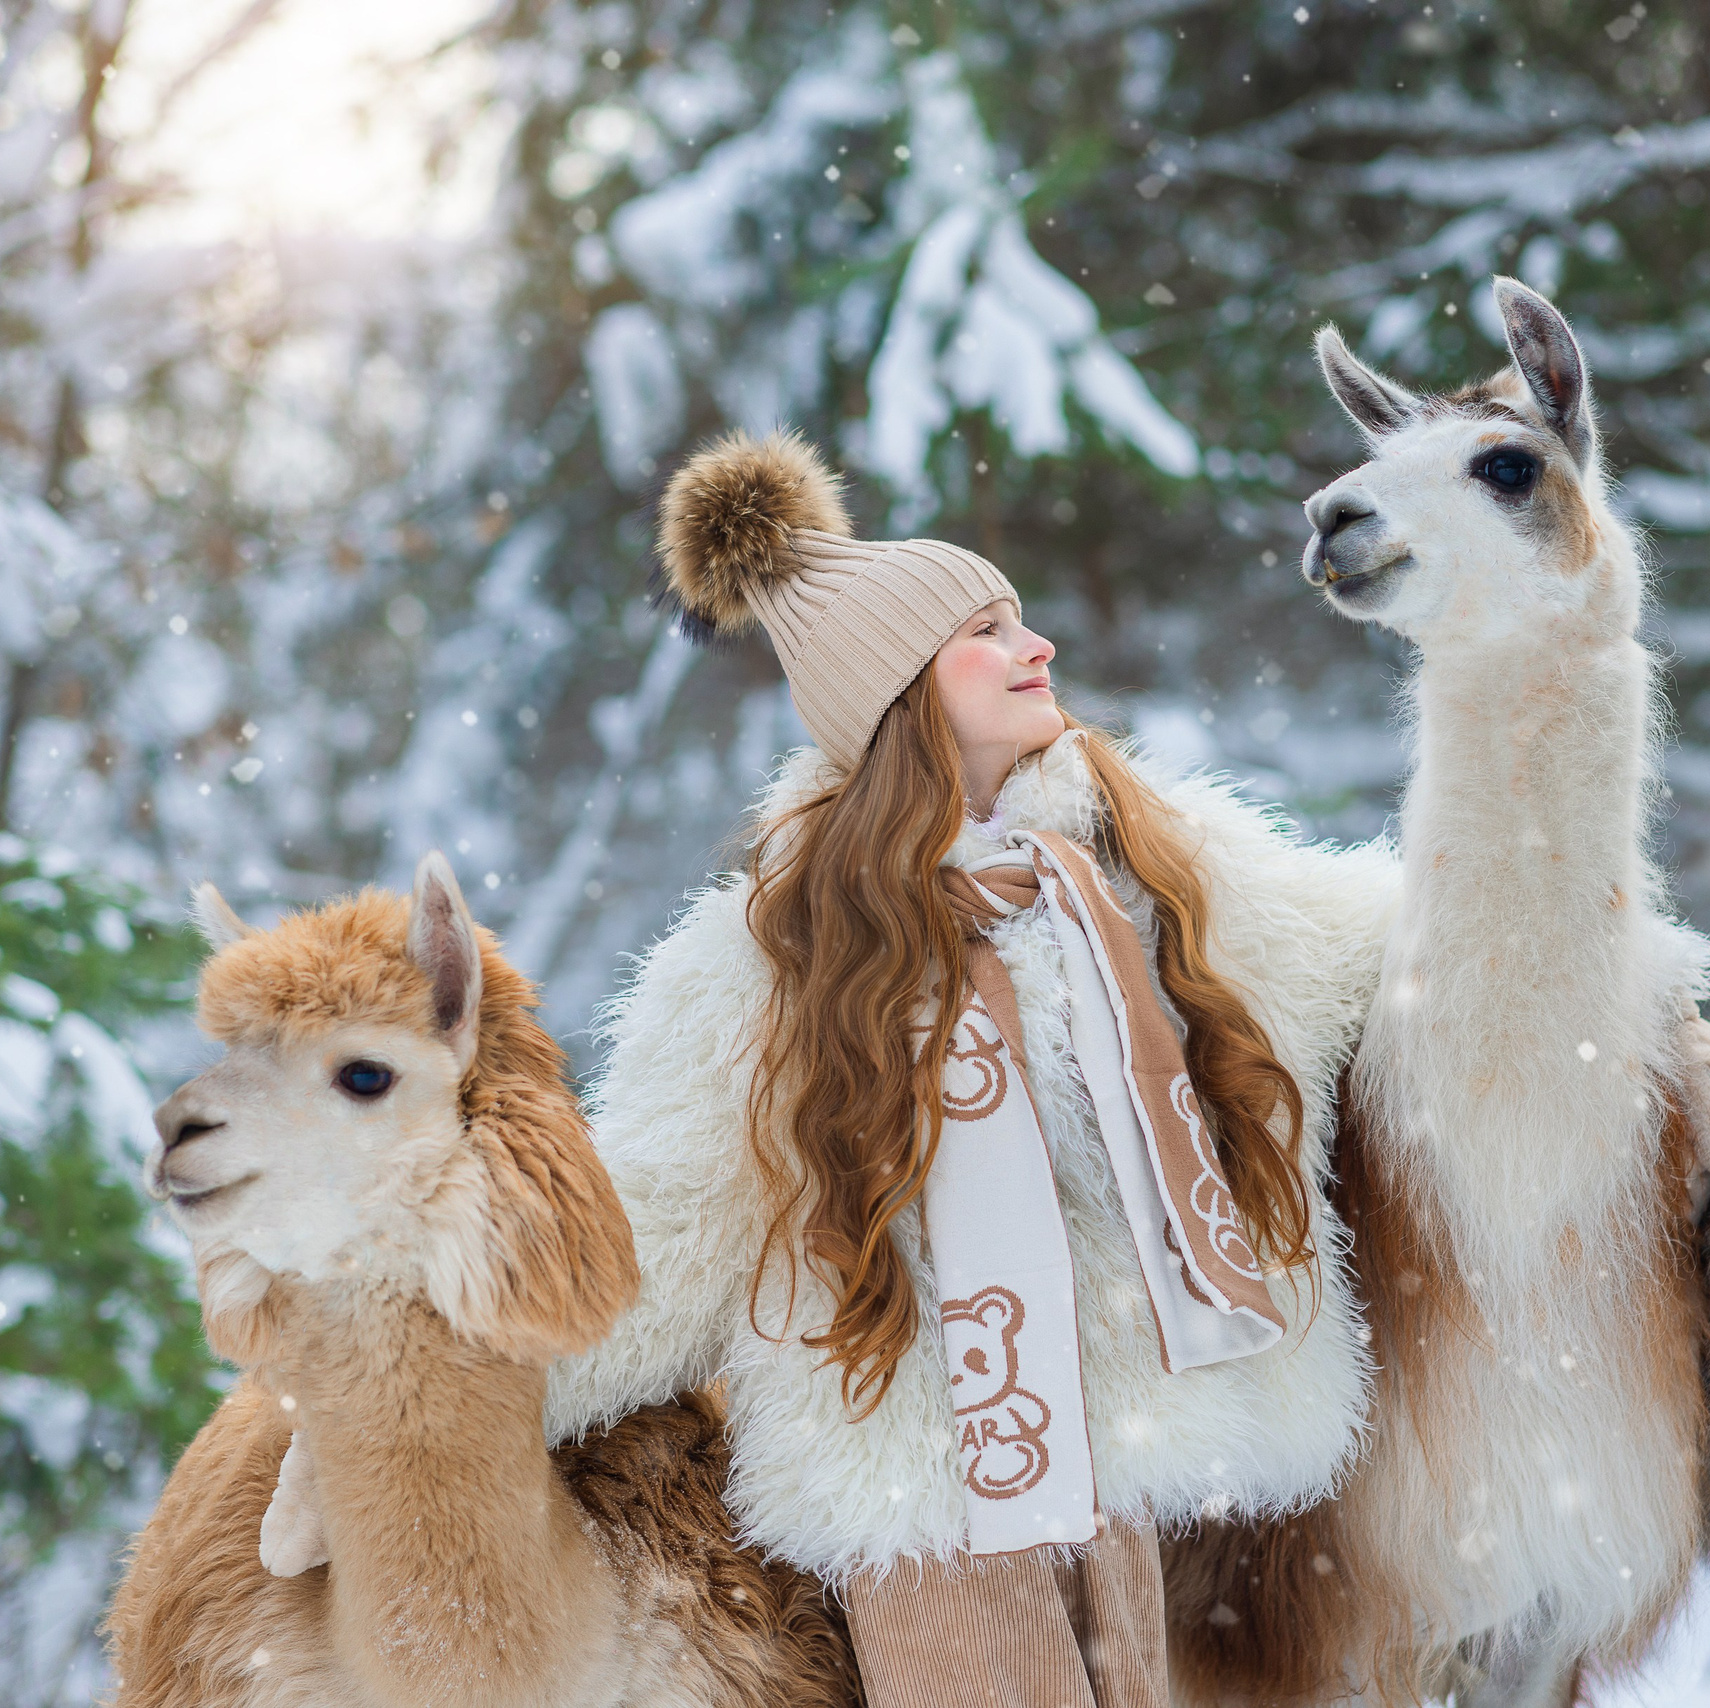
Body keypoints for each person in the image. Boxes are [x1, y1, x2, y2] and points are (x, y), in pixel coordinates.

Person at [541, 428, 1399, 1707]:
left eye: (1020, 617)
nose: (1034, 645)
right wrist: (444, 1408)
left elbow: (1381, 949)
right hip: (914, 1489)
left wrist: (1629, 983)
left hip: (1113, 1462)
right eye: (986, 630)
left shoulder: (1133, 869)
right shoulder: (764, 960)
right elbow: (661, 1231)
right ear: (899, 692)